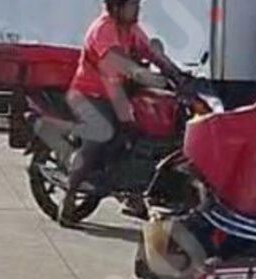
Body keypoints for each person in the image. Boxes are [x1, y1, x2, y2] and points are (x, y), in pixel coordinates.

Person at [63, 0, 185, 225]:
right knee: (101, 136)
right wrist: (143, 75)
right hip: (91, 95)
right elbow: (119, 63)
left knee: (142, 135)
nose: (137, 9)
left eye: (137, 4)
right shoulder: (103, 30)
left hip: (118, 94)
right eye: (132, 5)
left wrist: (177, 74)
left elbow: (152, 52)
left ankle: (133, 192)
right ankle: (70, 196)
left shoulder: (130, 28)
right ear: (116, 7)